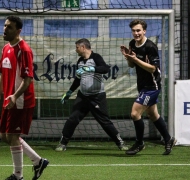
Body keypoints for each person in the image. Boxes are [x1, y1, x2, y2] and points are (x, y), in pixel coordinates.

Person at [0, 16, 49, 180]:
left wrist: (15, 96)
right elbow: (3, 73)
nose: (5, 29)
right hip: (9, 100)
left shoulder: (24, 50)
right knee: (4, 136)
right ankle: (38, 161)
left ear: (18, 30)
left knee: (13, 137)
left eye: (9, 27)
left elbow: (28, 79)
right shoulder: (6, 48)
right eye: (5, 26)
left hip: (20, 101)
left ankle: (18, 176)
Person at [55, 38, 128, 152]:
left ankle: (120, 142)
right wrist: (69, 92)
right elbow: (78, 79)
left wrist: (91, 68)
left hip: (97, 97)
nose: (76, 50)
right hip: (82, 96)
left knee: (104, 121)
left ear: (83, 47)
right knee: (72, 119)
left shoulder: (96, 57)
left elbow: (105, 69)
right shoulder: (80, 61)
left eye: (77, 47)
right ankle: (63, 143)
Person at [120, 19, 176, 155]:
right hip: (142, 85)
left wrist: (135, 59)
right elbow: (132, 66)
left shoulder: (150, 46)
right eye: (133, 30)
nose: (136, 33)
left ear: (144, 31)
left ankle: (139, 143)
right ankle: (168, 139)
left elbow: (152, 69)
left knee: (135, 113)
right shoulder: (132, 44)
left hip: (152, 86)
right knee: (152, 114)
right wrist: (128, 58)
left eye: (138, 30)